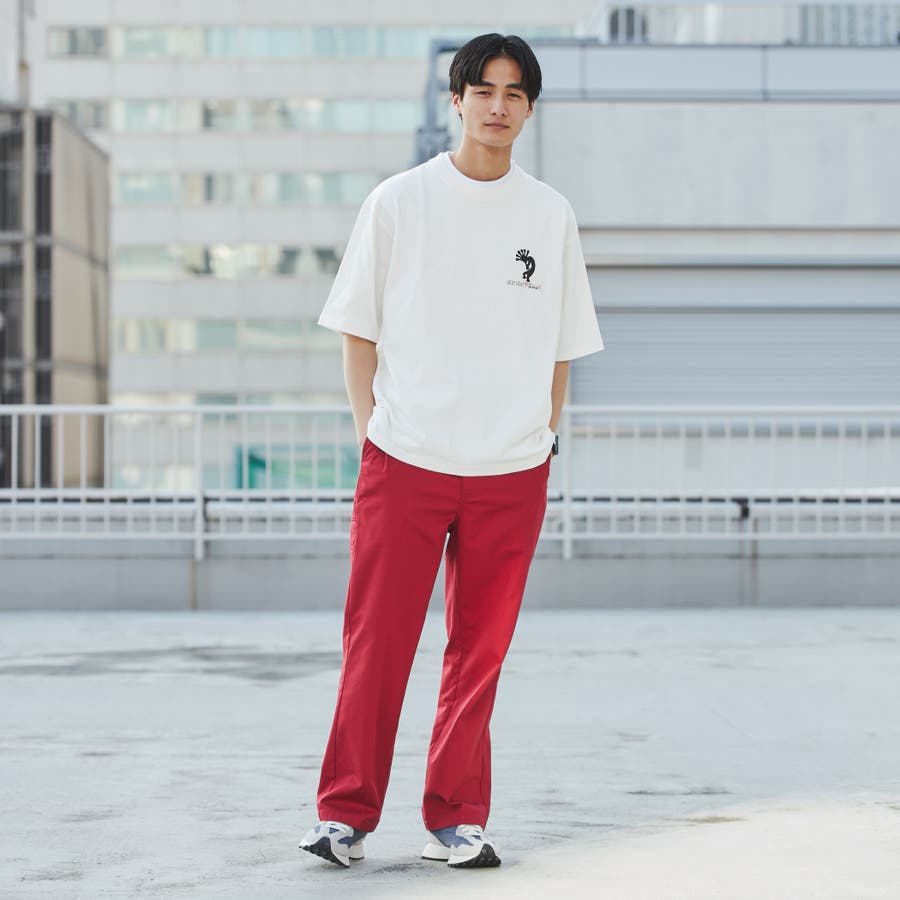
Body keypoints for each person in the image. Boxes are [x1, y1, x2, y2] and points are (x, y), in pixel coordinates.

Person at [299, 32, 604, 870]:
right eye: (484, 91)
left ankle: (457, 818)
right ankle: (343, 815)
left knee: (480, 652)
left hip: (511, 470)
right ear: (457, 100)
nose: (497, 106)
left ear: (529, 110)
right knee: (377, 643)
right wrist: (374, 435)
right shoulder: (399, 202)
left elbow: (562, 348)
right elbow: (357, 331)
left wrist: (540, 438)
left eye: (514, 94)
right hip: (405, 462)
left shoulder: (550, 214)